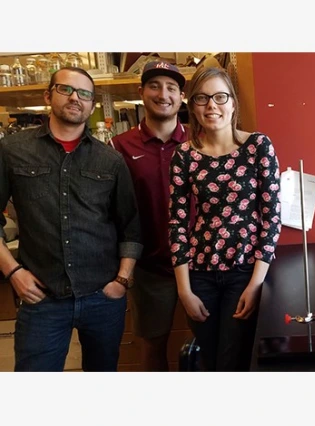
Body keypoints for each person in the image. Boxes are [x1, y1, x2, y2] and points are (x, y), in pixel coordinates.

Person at [0, 67, 143, 372]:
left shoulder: (110, 160)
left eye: (85, 93)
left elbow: (130, 226)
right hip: (41, 299)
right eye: (66, 89)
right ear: (48, 95)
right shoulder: (12, 150)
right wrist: (13, 272)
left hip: (103, 297)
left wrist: (121, 280)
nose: (75, 98)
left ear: (92, 105)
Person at [168, 66, 282, 371]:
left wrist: (256, 283)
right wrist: (184, 290)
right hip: (200, 274)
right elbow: (177, 223)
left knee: (234, 360)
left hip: (243, 272)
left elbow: (271, 219)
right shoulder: (184, 156)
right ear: (191, 106)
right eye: (201, 99)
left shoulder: (258, 147)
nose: (211, 106)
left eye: (220, 97)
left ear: (233, 102)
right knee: (212, 357)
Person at [110, 61, 190, 371]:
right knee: (153, 346)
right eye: (155, 85)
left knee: (211, 340)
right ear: (141, 92)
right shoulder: (120, 146)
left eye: (171, 88)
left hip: (199, 264)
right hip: (149, 268)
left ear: (181, 96)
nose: (163, 94)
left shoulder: (199, 142)